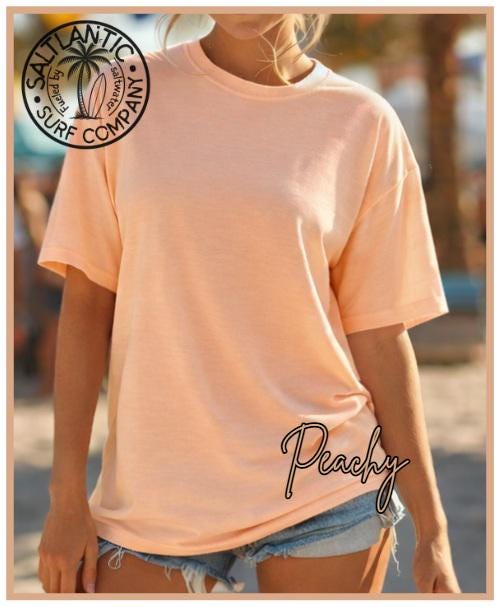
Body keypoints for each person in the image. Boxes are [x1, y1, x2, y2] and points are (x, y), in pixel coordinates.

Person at [36, 13, 460, 594]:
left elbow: (380, 334)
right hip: (154, 491)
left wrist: (433, 528)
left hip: (326, 479)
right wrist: (65, 498)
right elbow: (86, 302)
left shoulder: (363, 121)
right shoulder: (120, 94)